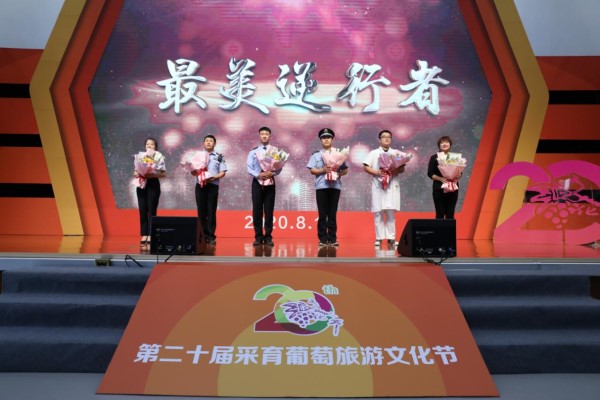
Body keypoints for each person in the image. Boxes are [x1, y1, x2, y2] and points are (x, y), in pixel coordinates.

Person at [362, 130, 406, 247]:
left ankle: (391, 238)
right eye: (384, 137)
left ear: (391, 140)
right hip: (378, 185)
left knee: (390, 212)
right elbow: (366, 167)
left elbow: (402, 168)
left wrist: (392, 171)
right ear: (379, 139)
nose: (386, 139)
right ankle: (379, 238)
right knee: (378, 212)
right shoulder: (374, 153)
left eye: (388, 137)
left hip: (391, 185)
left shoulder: (396, 153)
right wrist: (377, 172)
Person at [307, 128, 349, 247]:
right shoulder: (316, 155)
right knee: (322, 214)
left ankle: (332, 238)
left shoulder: (339, 154)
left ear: (332, 139)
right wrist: (323, 170)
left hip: (335, 186)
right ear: (321, 140)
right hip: (321, 186)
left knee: (332, 213)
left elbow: (345, 169)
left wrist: (337, 173)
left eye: (328, 137)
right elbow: (312, 170)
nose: (326, 139)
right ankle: (322, 238)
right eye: (324, 138)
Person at [191, 135, 228, 245]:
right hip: (200, 185)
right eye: (206, 141)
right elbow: (193, 171)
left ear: (214, 144)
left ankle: (211, 236)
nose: (208, 142)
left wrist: (214, 177)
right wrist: (193, 172)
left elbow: (223, 172)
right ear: (203, 143)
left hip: (213, 185)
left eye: (211, 141)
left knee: (211, 211)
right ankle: (201, 235)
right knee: (201, 211)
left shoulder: (219, 156)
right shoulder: (198, 155)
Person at [247, 127, 280, 247]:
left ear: (270, 136)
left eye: (267, 134)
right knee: (257, 210)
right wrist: (258, 174)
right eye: (262, 134)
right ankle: (258, 237)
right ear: (259, 136)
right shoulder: (253, 152)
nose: (264, 136)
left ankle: (268, 237)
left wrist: (273, 173)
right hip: (257, 182)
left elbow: (279, 167)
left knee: (269, 210)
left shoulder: (275, 151)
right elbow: (249, 168)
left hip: (270, 181)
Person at [134, 137, 166, 246]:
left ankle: (151, 234)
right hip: (141, 184)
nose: (149, 146)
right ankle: (144, 234)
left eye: (152, 144)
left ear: (155, 147)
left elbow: (163, 174)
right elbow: (135, 171)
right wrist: (138, 173)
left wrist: (152, 175)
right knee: (142, 210)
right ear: (145, 146)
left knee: (152, 210)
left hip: (153, 184)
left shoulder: (159, 156)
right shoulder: (140, 157)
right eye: (147, 144)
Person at [428, 135, 459, 219]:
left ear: (450, 144)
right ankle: (439, 228)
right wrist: (440, 179)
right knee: (440, 213)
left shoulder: (455, 157)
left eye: (446, 142)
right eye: (442, 143)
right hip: (439, 188)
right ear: (439, 145)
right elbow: (430, 173)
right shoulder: (434, 157)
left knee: (450, 214)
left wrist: (457, 173)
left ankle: (449, 228)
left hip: (453, 188)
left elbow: (459, 174)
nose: (444, 144)